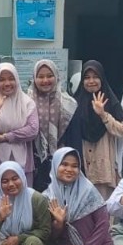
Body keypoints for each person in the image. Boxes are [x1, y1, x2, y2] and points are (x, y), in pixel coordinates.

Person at [45, 148, 114, 245]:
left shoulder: (89, 191)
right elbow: (51, 237)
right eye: (64, 164)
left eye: (75, 166)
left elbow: (103, 224)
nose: (69, 169)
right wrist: (59, 224)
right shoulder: (49, 196)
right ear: (55, 165)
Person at [0, 63, 38, 198]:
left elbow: (33, 130)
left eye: (11, 78)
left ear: (17, 79)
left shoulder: (28, 102)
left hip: (23, 164)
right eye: (2, 79)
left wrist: (7, 136)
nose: (7, 83)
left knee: (23, 201)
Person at [72, 61, 123, 198]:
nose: (91, 81)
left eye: (95, 77)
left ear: (102, 78)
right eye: (87, 77)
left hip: (102, 167)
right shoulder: (74, 103)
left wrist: (103, 114)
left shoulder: (111, 102)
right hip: (80, 163)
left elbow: (122, 130)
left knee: (102, 206)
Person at [27, 59, 77, 192]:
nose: (45, 80)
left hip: (62, 163)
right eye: (40, 76)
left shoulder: (69, 104)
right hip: (34, 164)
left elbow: (74, 138)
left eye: (49, 76)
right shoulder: (26, 103)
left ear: (56, 76)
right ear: (34, 78)